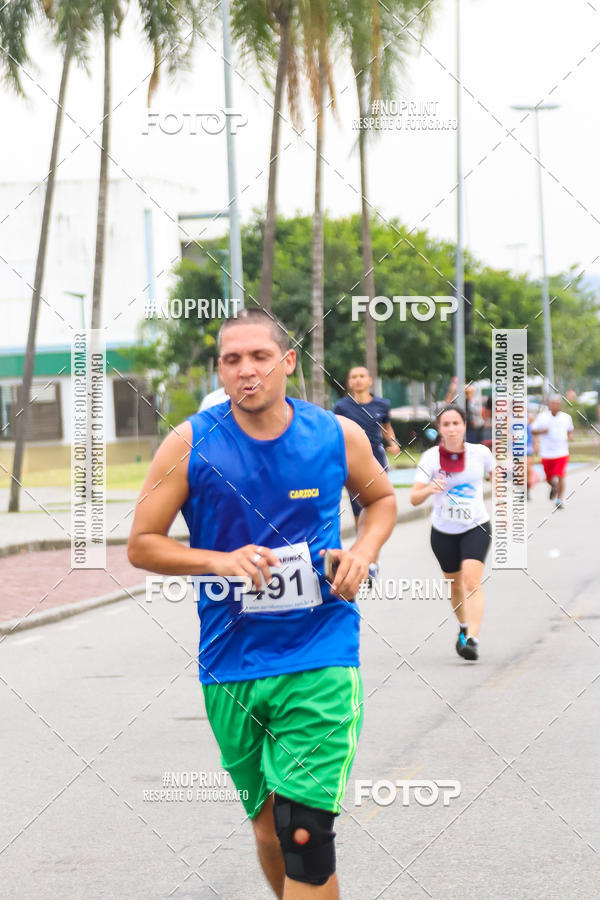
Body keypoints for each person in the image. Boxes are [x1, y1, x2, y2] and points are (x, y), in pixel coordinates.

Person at [127, 308, 397, 899]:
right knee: (269, 828)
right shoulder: (191, 442)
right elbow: (141, 545)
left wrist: (363, 550)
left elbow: (380, 501)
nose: (247, 370)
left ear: (287, 361)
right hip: (231, 662)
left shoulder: (336, 434)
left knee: (304, 834)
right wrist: (217, 561)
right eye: (232, 360)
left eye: (259, 357)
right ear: (220, 370)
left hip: (320, 650)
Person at [409, 405, 494, 662]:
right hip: (443, 531)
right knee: (455, 585)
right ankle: (464, 627)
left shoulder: (480, 453)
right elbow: (413, 498)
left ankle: (473, 640)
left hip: (476, 526)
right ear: (440, 428)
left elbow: (498, 478)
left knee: (471, 582)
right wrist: (429, 489)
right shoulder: (431, 458)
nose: (452, 428)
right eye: (446, 424)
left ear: (464, 426)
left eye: (456, 423)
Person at [333, 366, 399, 529]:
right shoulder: (342, 406)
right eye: (354, 377)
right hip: (352, 462)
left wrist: (393, 442)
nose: (358, 379)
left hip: (376, 459)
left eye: (362, 376)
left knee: (376, 503)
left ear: (369, 380)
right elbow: (336, 431)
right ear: (349, 382)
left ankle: (373, 545)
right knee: (358, 508)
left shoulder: (382, 404)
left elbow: (386, 427)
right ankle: (360, 542)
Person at [530, 395, 574, 510]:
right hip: (546, 453)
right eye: (552, 404)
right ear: (549, 405)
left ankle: (559, 500)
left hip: (562, 452)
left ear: (560, 406)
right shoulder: (542, 417)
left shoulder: (566, 417)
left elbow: (570, 430)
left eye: (557, 404)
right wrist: (541, 431)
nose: (554, 406)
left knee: (560, 476)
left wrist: (570, 436)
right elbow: (533, 430)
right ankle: (554, 487)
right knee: (548, 478)